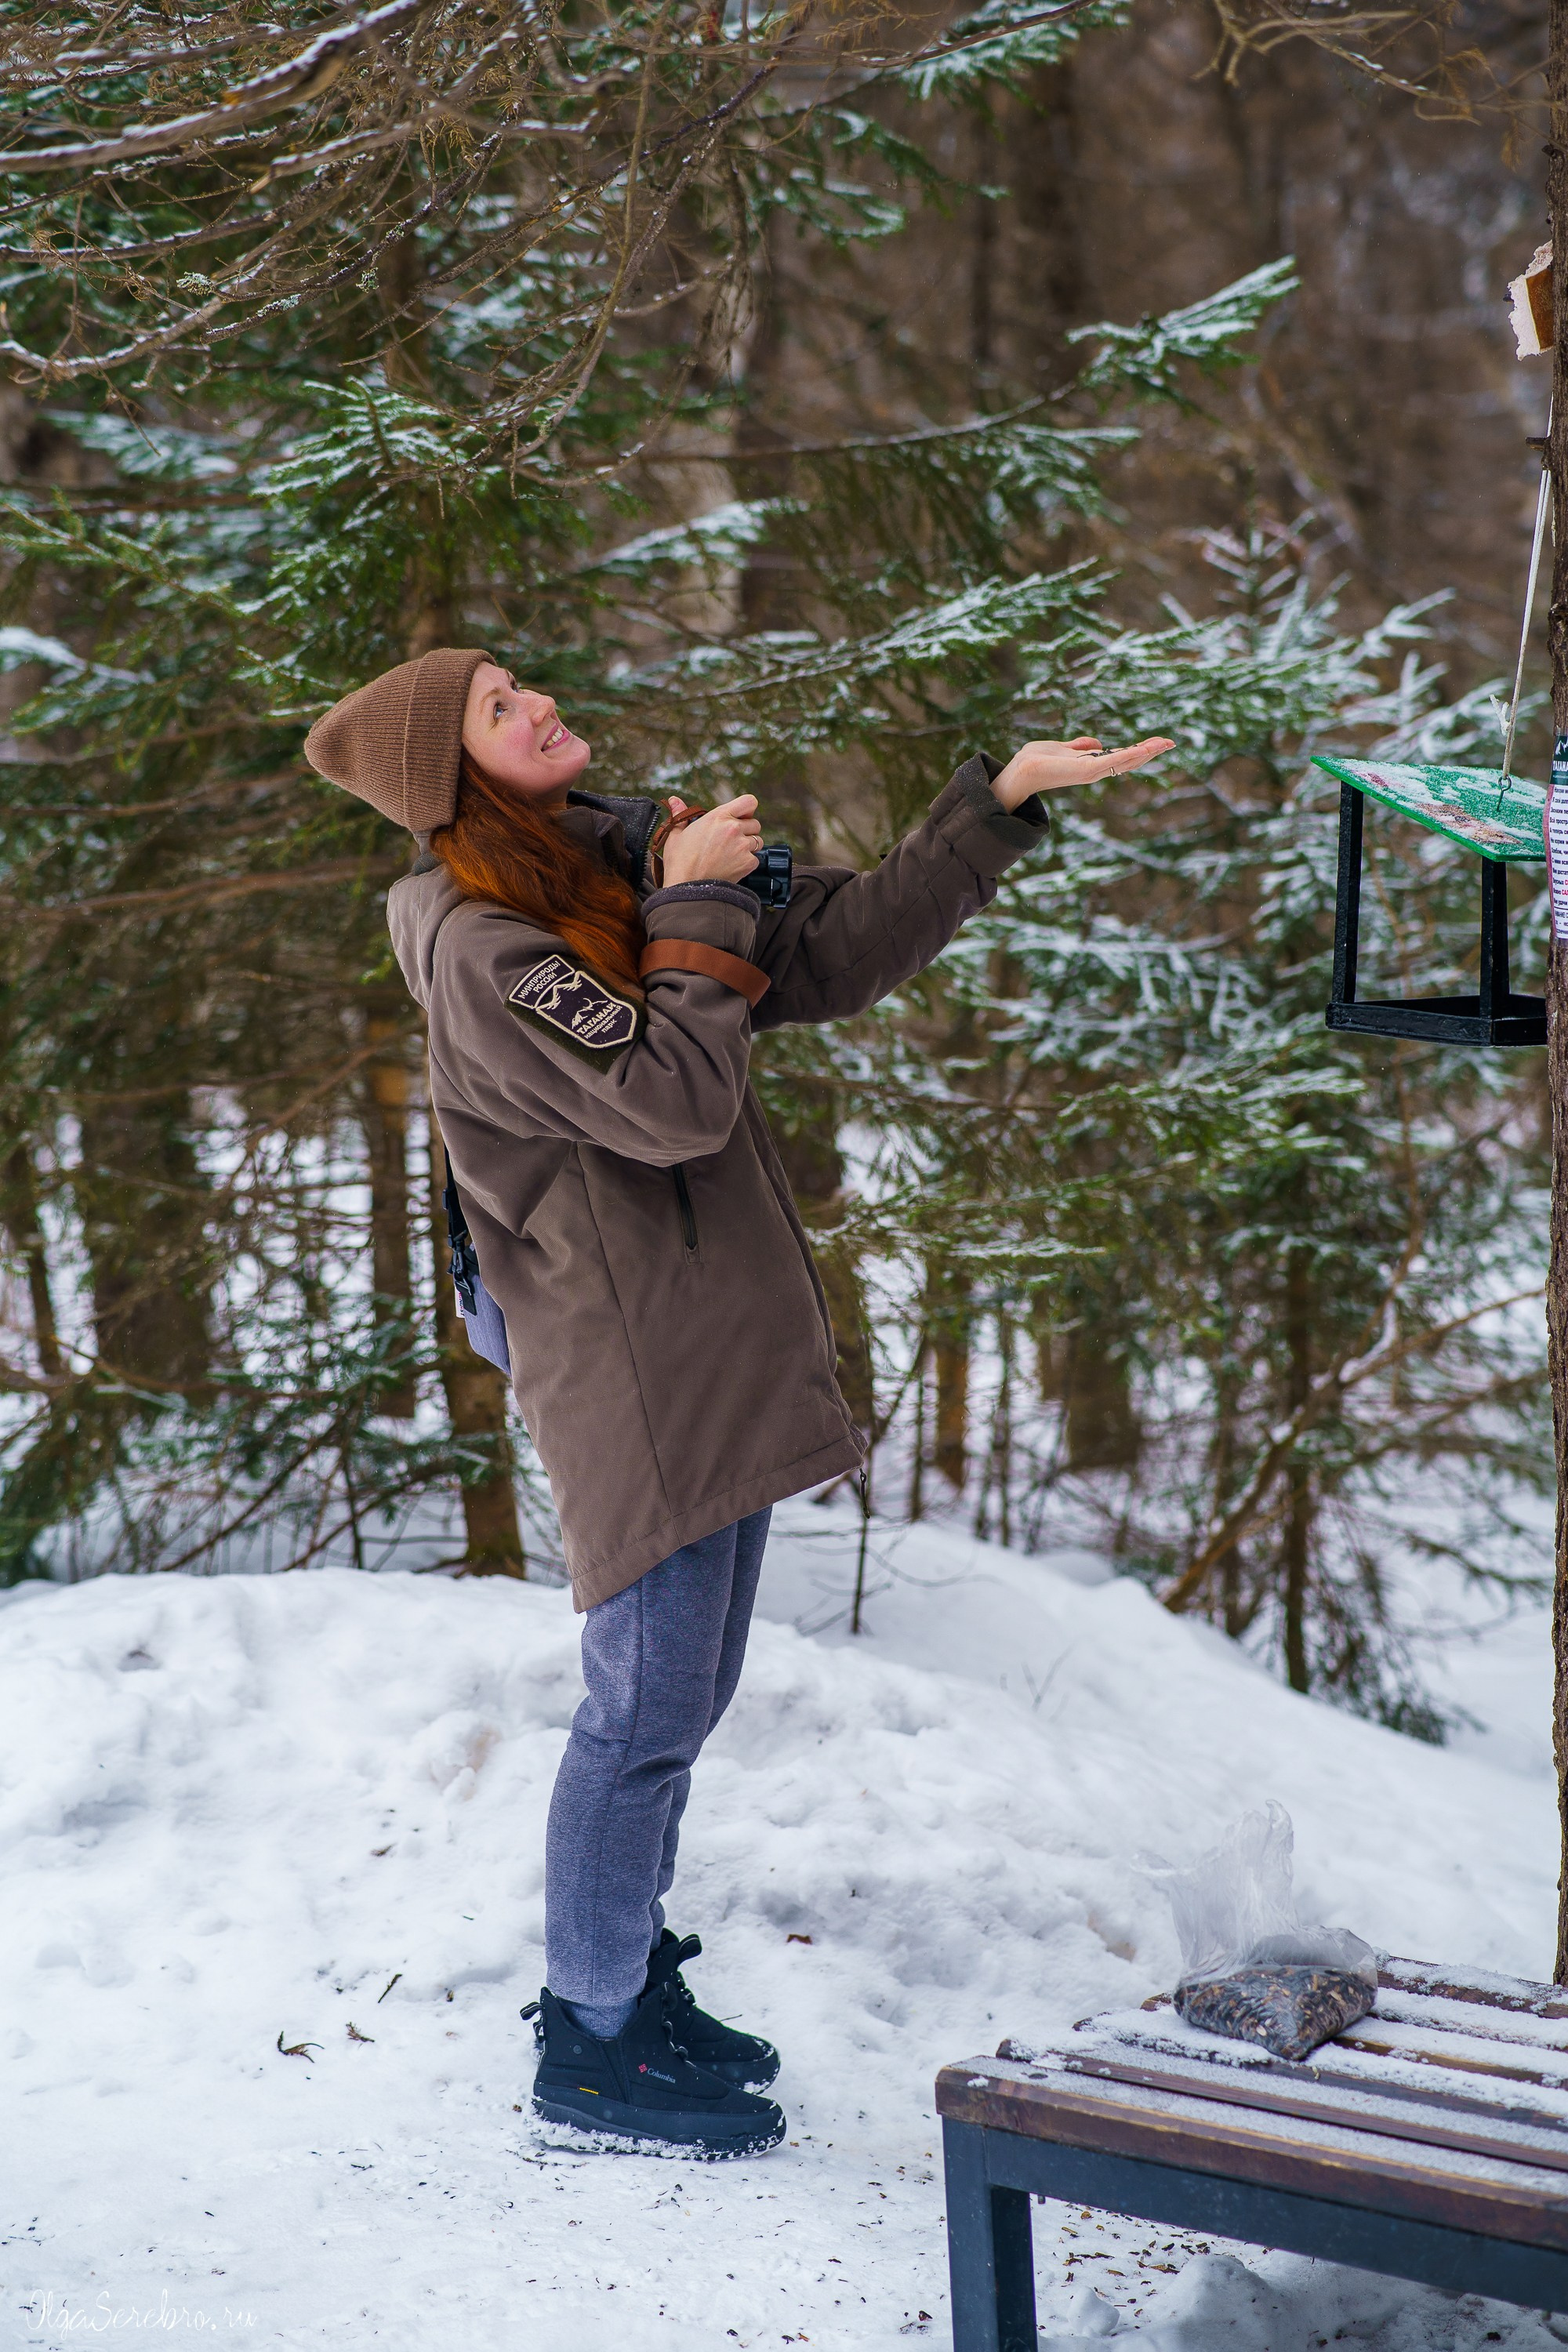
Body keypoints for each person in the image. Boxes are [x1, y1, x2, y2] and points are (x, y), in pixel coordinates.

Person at [304, 647, 1171, 2158]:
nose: (540, 705)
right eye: (498, 709)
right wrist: (697, 904)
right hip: (633, 1367)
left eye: (521, 684)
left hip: (701, 1343)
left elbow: (830, 954)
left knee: (682, 1699)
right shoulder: (489, 947)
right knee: (640, 1710)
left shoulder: (604, 868)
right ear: (452, 777)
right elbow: (670, 1101)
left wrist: (999, 802)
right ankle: (590, 2044)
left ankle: (627, 1981)